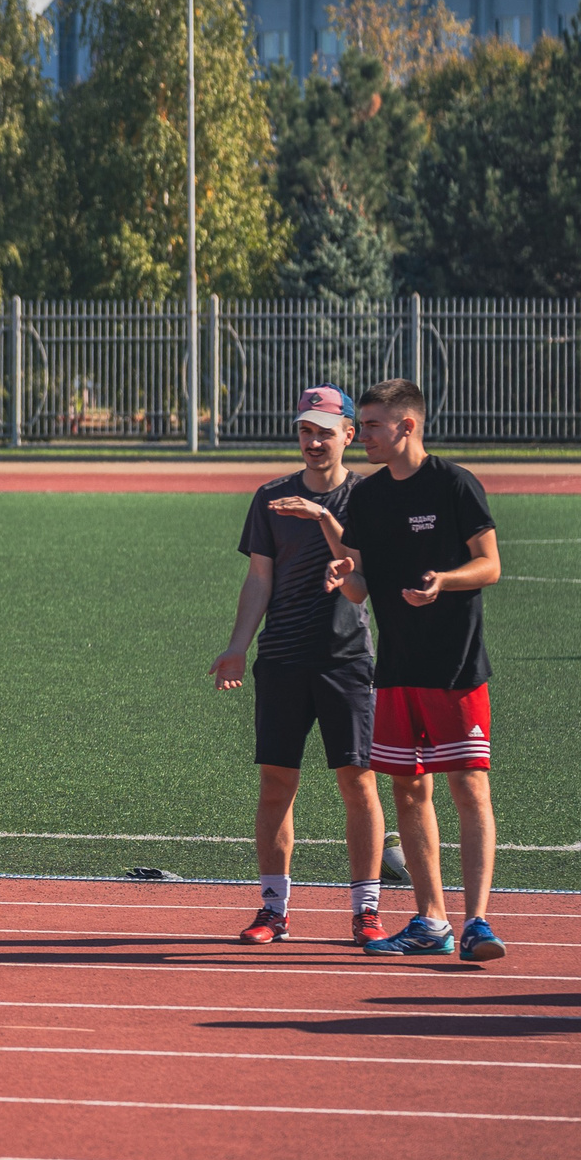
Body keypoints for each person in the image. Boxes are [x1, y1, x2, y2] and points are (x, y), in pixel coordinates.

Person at [277, 377, 507, 961]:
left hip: (455, 668)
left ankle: (478, 921)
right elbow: (360, 582)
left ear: (407, 426)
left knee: (469, 786)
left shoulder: (455, 484)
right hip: (396, 670)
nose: (366, 437)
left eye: (373, 426)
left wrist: (443, 583)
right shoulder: (371, 497)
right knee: (408, 791)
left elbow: (490, 566)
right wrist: (343, 577)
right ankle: (432, 919)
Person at [211, 386, 389, 947]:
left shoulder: (369, 498)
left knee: (358, 783)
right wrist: (239, 643)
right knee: (275, 784)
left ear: (348, 436)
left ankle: (366, 910)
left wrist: (319, 515)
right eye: (305, 431)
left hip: (346, 660)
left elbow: (359, 571)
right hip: (283, 660)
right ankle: (273, 909)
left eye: (325, 431)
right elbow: (259, 578)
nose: (314, 442)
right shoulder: (270, 497)